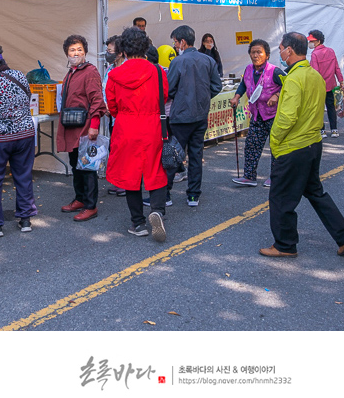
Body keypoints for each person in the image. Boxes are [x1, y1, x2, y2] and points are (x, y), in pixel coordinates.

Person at [260, 32, 344, 259]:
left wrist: (274, 140)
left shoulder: (294, 78)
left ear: (290, 50)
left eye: (282, 48)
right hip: (313, 143)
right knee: (315, 192)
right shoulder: (312, 75)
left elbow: (287, 117)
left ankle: (285, 244)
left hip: (293, 147)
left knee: (281, 197)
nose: (281, 53)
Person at [105, 26, 169, 241]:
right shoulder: (158, 71)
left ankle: (138, 223)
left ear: (122, 49)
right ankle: (157, 211)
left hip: (126, 127)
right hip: (153, 127)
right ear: (145, 46)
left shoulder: (114, 75)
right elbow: (165, 96)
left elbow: (112, 106)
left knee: (131, 175)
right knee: (156, 170)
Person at [0, 45, 36, 236]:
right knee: (23, 176)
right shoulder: (20, 76)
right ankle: (25, 219)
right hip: (25, 134)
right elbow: (27, 98)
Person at [164, 25, 222, 207]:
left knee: (173, 155)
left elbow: (169, 89)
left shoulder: (178, 62)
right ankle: (193, 195)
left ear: (182, 42)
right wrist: (204, 98)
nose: (175, 46)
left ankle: (165, 194)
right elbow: (217, 86)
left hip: (181, 116)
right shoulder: (208, 60)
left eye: (175, 42)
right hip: (200, 114)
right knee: (196, 155)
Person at [58, 34, 106, 222]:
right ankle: (79, 198)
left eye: (79, 49)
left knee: (87, 166)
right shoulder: (70, 73)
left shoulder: (90, 72)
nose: (76, 53)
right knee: (74, 164)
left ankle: (90, 205)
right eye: (72, 50)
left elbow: (97, 101)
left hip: (85, 127)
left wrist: (94, 126)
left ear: (85, 51)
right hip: (71, 127)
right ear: (66, 54)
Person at [230, 39, 284, 186]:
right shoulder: (248, 69)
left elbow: (289, 85)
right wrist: (236, 97)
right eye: (253, 52)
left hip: (273, 115)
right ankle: (249, 176)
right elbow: (243, 85)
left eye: (259, 52)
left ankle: (276, 177)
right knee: (252, 144)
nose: (255, 55)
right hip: (257, 115)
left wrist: (277, 95)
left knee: (276, 147)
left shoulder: (274, 71)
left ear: (266, 55)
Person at [102, 35, 127, 197]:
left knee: (123, 150)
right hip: (111, 116)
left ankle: (125, 183)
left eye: (110, 51)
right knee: (116, 149)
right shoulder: (110, 67)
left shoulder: (125, 69)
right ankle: (119, 181)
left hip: (122, 117)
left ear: (119, 53)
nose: (107, 53)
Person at [307, 30, 343, 139]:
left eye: (312, 41)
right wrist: (341, 81)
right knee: (331, 107)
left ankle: (322, 131)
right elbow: (337, 67)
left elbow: (315, 72)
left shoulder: (315, 54)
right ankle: (334, 130)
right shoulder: (331, 51)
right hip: (330, 84)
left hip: (319, 86)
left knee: (319, 109)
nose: (310, 43)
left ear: (318, 41)